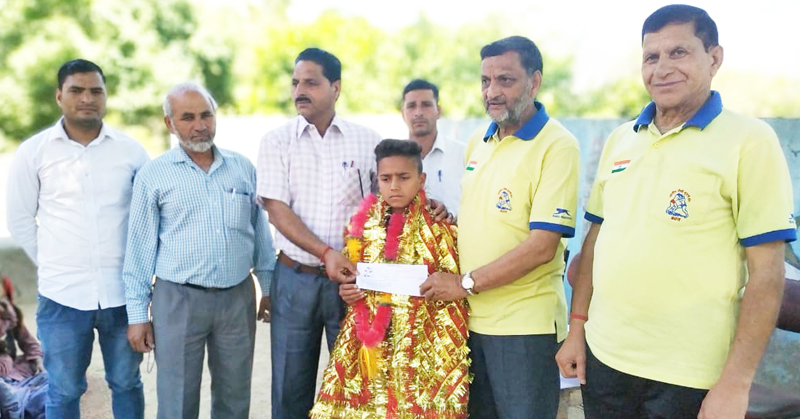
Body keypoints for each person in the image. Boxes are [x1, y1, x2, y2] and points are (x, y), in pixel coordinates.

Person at [555, 5, 797, 419]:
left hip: (690, 375)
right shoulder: (621, 140)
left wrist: (735, 385)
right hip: (606, 359)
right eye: (652, 57)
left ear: (714, 58)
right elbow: (595, 241)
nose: (662, 68)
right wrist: (577, 328)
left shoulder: (750, 141)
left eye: (679, 52)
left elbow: (768, 274)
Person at [420, 36, 581, 419]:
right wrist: (449, 221)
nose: (492, 92)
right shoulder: (481, 139)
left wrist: (463, 284)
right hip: (471, 319)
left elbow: (542, 245)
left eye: (505, 80)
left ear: (534, 82)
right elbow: (492, 221)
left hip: (524, 329)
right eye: (485, 81)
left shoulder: (557, 145)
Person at [122, 82, 276, 419]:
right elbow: (139, 250)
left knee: (235, 396)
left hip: (236, 298)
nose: (199, 125)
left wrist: (268, 287)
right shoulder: (153, 175)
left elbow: (261, 233)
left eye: (206, 114)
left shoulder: (242, 168)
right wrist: (137, 316)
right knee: (177, 399)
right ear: (170, 123)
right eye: (188, 117)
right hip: (177, 300)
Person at [6, 59, 148, 419]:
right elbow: (20, 217)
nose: (87, 98)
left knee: (127, 382)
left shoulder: (131, 152)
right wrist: (55, 261)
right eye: (77, 90)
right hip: (62, 295)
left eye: (96, 91)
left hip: (121, 295)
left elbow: (147, 218)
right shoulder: (35, 152)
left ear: (105, 97)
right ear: (59, 96)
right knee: (64, 388)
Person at [256, 47, 384, 419]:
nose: (300, 90)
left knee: (354, 387)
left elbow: (386, 204)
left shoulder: (367, 140)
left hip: (352, 284)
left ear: (336, 88)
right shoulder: (276, 141)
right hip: (296, 279)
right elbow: (277, 209)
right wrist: (326, 252)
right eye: (296, 82)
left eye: (311, 82)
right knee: (289, 390)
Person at [310, 139, 469, 418]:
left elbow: (454, 292)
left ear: (421, 179)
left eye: (404, 177)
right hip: (371, 347)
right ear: (377, 180)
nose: (394, 186)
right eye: (386, 178)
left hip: (426, 349)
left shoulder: (441, 229)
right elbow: (352, 280)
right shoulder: (362, 229)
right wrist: (348, 292)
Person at [401, 79, 466, 216]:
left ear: (438, 111)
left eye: (426, 105)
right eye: (412, 106)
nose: (418, 112)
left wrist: (450, 216)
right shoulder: (395, 160)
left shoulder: (462, 155)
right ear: (403, 113)